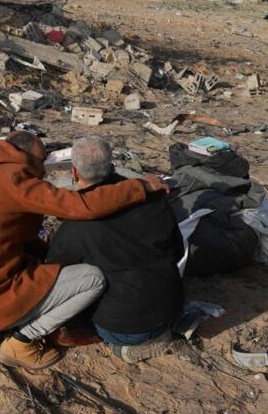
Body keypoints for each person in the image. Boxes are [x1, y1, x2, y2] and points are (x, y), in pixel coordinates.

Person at [0, 131, 170, 370]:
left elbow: (23, 237)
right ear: (26, 156)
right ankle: (22, 341)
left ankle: (3, 324)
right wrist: (139, 185)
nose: (44, 170)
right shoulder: (15, 179)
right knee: (92, 279)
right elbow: (80, 206)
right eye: (42, 161)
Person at [47, 136, 184, 363]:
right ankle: (158, 331)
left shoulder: (75, 226)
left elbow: (56, 278)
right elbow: (178, 251)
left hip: (125, 328)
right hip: (172, 306)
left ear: (74, 173)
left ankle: (125, 347)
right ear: (112, 168)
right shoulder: (154, 199)